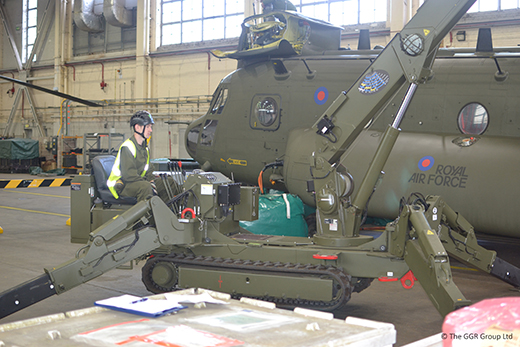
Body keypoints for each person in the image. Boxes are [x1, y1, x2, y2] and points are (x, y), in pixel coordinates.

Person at [107, 110, 156, 202]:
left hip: (136, 181)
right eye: (148, 127)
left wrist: (152, 181)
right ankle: (146, 216)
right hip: (123, 185)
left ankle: (167, 214)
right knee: (145, 187)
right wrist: (148, 183)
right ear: (137, 127)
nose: (151, 130)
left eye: (151, 127)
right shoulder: (127, 147)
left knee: (167, 183)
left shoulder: (144, 148)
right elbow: (129, 175)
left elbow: (149, 169)